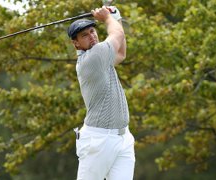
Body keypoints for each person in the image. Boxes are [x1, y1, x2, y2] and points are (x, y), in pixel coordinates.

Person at [67, 6, 135, 180]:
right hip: (98, 141)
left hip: (123, 138)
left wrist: (115, 17)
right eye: (85, 35)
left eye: (92, 31)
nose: (92, 36)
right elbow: (117, 35)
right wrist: (107, 18)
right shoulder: (93, 57)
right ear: (75, 43)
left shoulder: (101, 55)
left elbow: (121, 53)